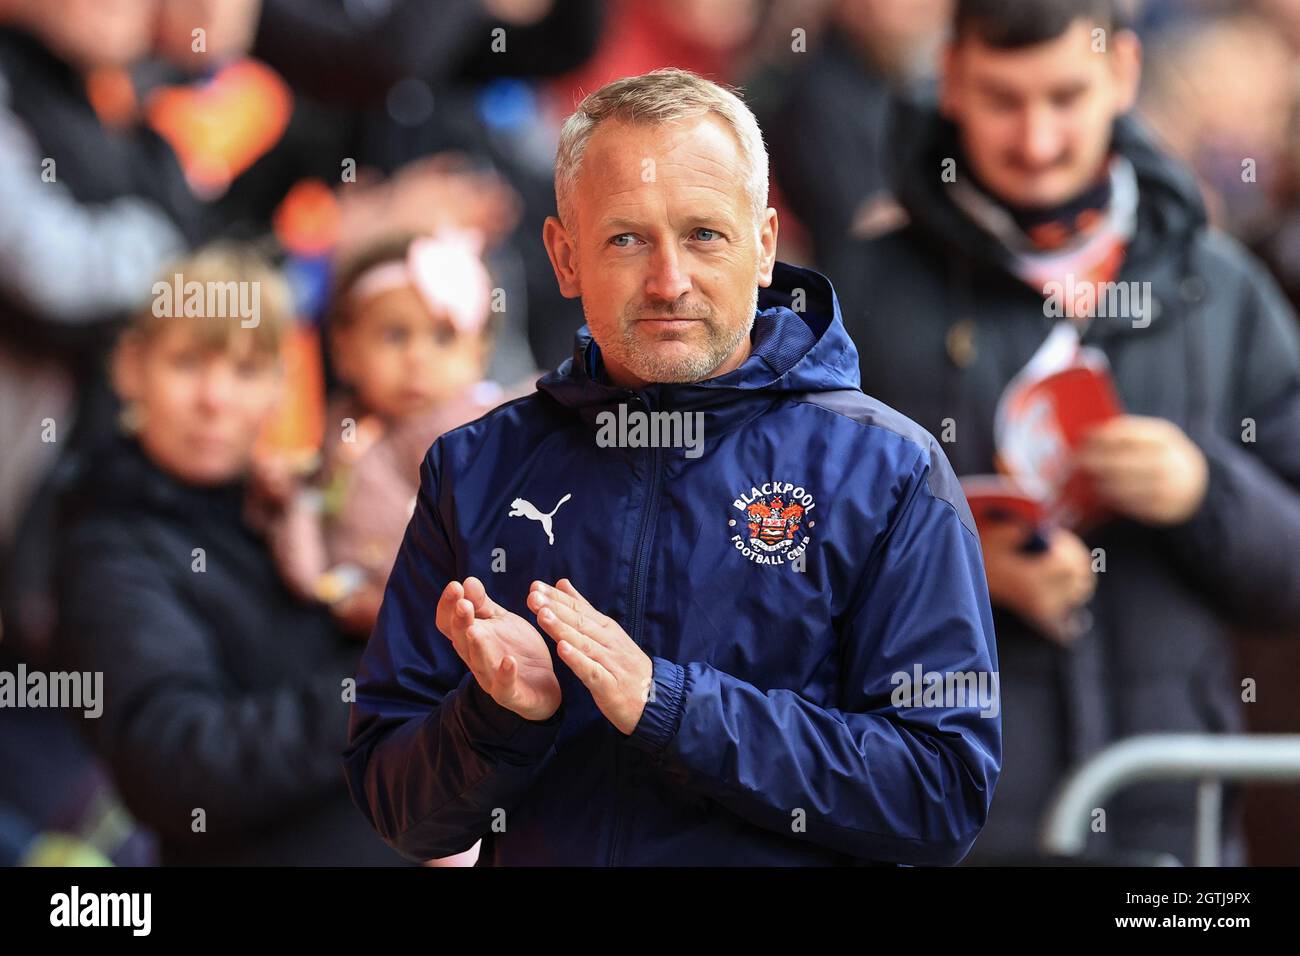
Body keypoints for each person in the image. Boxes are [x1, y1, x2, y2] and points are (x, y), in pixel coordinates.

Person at [343, 68, 1001, 866]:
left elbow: (942, 793)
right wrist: (498, 719)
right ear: (564, 256)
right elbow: (398, 810)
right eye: (625, 238)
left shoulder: (890, 473)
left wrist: (671, 706)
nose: (669, 281)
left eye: (703, 234)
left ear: (763, 246)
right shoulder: (477, 465)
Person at [827, 0, 1300, 864]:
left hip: (1175, 821)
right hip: (945, 813)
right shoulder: (864, 290)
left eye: (1065, 97)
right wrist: (956, 566)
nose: (1037, 139)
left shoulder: (1220, 287)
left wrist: (1205, 490)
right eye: (1005, 99)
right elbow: (776, 552)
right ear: (955, 77)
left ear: (1122, 72)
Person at [54, 244, 404, 865]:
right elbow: (175, 766)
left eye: (245, 371)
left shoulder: (297, 507)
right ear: (131, 369)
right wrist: (391, 679)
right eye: (188, 363)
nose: (215, 398)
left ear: (279, 387)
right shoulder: (110, 544)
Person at [266, 229, 534, 639]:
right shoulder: (341, 427)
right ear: (343, 350)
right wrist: (287, 496)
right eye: (394, 336)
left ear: (479, 351)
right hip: (349, 613)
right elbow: (318, 500)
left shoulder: (483, 428)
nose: (417, 358)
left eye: (443, 337)